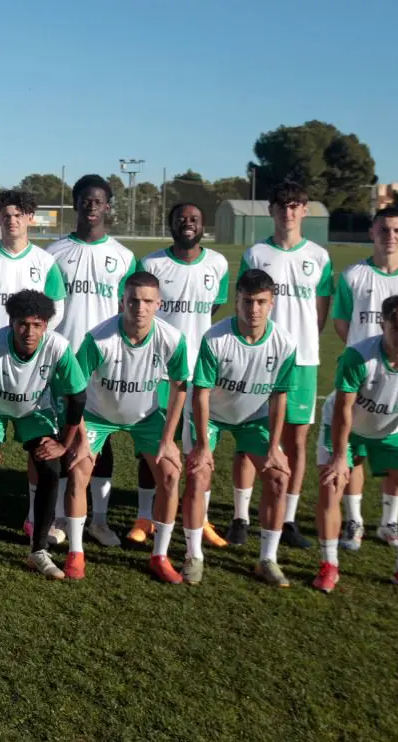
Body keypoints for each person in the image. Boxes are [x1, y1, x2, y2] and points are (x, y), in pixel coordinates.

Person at [313, 296, 398, 595]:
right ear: (382, 325)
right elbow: (342, 410)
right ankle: (329, 565)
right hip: (347, 427)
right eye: (395, 328)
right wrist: (338, 456)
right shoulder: (358, 356)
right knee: (332, 484)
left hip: (392, 431)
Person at [328, 206, 398, 551]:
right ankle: (354, 519)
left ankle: (389, 521)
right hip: (361, 373)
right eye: (383, 230)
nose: (389, 237)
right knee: (354, 447)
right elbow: (342, 323)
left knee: (396, 445)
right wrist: (364, 354)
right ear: (371, 233)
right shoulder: (352, 276)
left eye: (397, 230)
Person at [0, 291, 87, 580]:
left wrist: (64, 443)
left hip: (34, 410)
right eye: (23, 324)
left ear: (46, 326)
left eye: (37, 325)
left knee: (50, 468)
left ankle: (38, 551)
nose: (29, 332)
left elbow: (77, 396)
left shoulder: (58, 348)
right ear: (11, 322)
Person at [72, 272, 191, 583]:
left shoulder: (172, 339)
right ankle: (76, 552)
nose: (140, 307)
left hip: (147, 417)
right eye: (133, 300)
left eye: (148, 301)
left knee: (169, 473)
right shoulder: (98, 339)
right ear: (122, 301)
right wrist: (82, 438)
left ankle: (160, 556)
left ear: (159, 304)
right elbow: (74, 389)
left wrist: (168, 439)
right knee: (79, 468)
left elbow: (179, 387)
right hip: (98, 414)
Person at [185, 270, 298, 587]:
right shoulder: (215, 338)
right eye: (248, 301)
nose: (254, 309)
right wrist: (204, 446)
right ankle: (194, 555)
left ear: (272, 303)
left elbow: (279, 398)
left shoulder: (285, 343)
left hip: (255, 417)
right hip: (213, 416)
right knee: (198, 473)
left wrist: (274, 447)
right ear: (237, 302)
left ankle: (267, 559)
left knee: (278, 477)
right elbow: (201, 394)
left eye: (261, 302)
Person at [48, 175, 141, 550]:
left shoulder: (123, 256)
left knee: (100, 445)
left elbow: (131, 311)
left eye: (99, 200)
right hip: (65, 361)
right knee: (62, 439)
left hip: (106, 365)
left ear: (107, 206)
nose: (92, 205)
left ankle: (98, 520)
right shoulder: (53, 252)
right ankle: (57, 517)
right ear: (76, 204)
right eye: (85, 199)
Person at [238, 182, 331, 549]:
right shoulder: (256, 253)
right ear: (271, 210)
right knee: (250, 437)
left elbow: (320, 312)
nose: (288, 212)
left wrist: (301, 341)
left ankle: (288, 518)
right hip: (259, 359)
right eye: (282, 206)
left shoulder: (319, 257)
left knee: (296, 440)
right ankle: (241, 516)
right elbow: (245, 304)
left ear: (305, 211)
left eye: (296, 206)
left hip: (303, 360)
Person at [140, 202, 231, 550]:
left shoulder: (218, 264)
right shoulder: (152, 264)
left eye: (194, 219)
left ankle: (202, 519)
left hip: (202, 373)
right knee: (153, 447)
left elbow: (214, 308)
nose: (188, 224)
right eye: (181, 219)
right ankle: (144, 517)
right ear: (171, 224)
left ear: (202, 225)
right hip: (160, 370)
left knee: (199, 450)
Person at [0, 189, 67, 336]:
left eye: (18, 215)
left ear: (30, 217)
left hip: (28, 353)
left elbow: (57, 309)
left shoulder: (45, 262)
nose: (12, 221)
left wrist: (34, 336)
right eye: (6, 216)